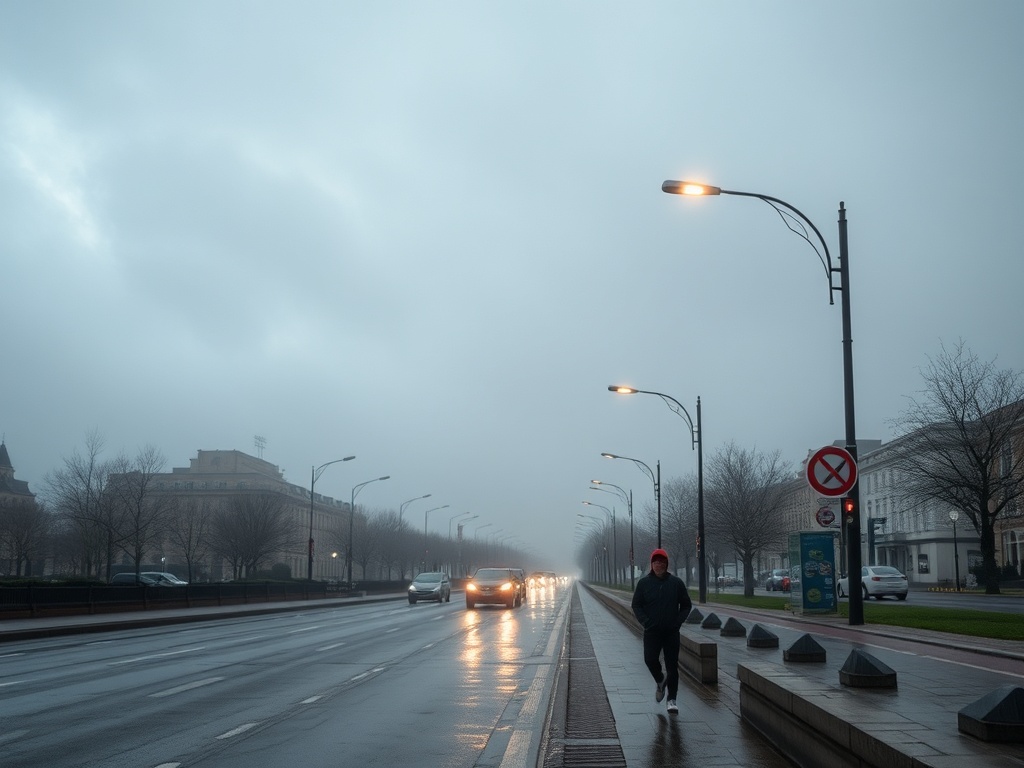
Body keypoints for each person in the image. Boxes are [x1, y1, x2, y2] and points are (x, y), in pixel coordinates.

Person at [630, 547, 693, 714]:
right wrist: (646, 622)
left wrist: (677, 622)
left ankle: (672, 699)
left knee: (672, 666)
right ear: (652, 564)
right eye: (656, 562)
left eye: (662, 562)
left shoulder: (676, 583)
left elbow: (686, 605)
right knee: (650, 659)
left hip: (671, 632)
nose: (659, 564)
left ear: (666, 564)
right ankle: (660, 680)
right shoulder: (644, 583)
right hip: (652, 631)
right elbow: (636, 605)